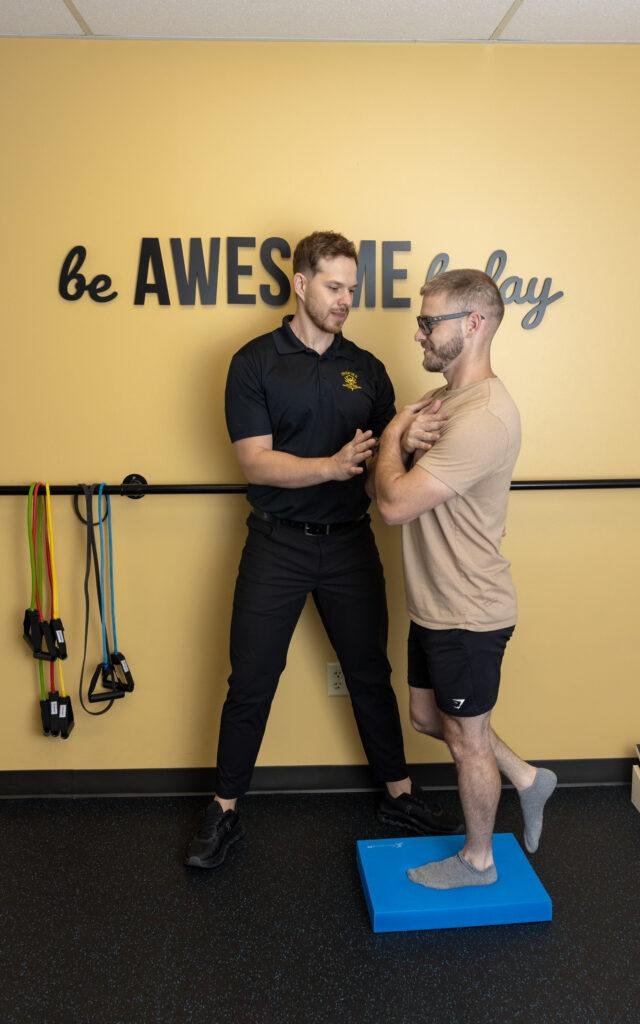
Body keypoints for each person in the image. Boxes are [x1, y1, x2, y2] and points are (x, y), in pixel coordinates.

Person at [186, 231, 461, 869]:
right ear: (301, 282)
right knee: (251, 681)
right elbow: (255, 463)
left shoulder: (365, 369)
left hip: (349, 547)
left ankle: (399, 795)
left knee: (371, 676)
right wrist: (332, 466)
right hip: (276, 545)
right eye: (334, 287)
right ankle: (223, 811)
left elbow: (383, 469)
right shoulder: (254, 362)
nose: (345, 301)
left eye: (352, 290)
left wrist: (405, 436)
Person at [374, 268, 556, 889]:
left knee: (467, 742)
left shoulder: (483, 417)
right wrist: (406, 428)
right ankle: (529, 778)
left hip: (468, 612)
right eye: (420, 322)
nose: (419, 334)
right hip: (434, 606)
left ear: (473, 324)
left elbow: (394, 505)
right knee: (429, 718)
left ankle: (479, 860)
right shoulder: (447, 400)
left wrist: (394, 434)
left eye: (430, 323)